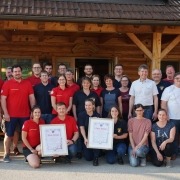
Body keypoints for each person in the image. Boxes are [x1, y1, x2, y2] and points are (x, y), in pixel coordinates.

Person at [1, 64, 36, 163]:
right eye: (15, 71)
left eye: (19, 71)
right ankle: (6, 154)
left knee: (27, 135)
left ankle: (28, 154)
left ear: (21, 72)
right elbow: (3, 99)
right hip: (11, 115)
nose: (17, 73)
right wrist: (5, 113)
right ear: (12, 73)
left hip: (25, 114)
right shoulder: (7, 84)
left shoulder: (27, 83)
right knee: (8, 135)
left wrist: (33, 111)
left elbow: (32, 98)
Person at [161, 72, 180, 156]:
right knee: (174, 137)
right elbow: (163, 103)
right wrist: (166, 115)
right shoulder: (168, 89)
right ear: (174, 79)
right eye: (177, 78)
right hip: (172, 117)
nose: (179, 80)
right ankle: (174, 154)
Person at [79, 98, 101, 166]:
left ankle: (96, 157)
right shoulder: (81, 115)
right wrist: (85, 138)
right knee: (88, 158)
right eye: (86, 105)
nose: (87, 107)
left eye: (89, 105)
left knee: (94, 154)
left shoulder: (97, 115)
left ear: (93, 106)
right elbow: (81, 127)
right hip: (86, 138)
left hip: (95, 138)